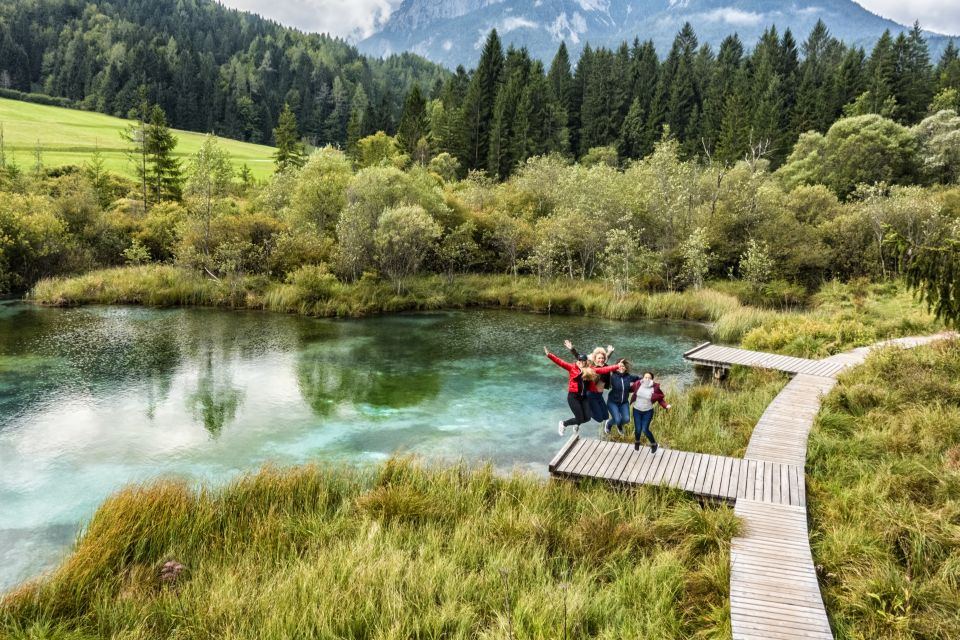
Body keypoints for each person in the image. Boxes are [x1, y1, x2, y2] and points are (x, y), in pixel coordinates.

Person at [544, 346, 619, 436]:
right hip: (574, 397)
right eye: (579, 360)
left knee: (587, 418)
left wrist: (617, 366)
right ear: (577, 361)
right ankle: (563, 424)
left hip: (584, 398)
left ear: (586, 362)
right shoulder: (572, 368)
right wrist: (549, 355)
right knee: (581, 418)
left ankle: (577, 423)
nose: (581, 362)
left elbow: (604, 368)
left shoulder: (590, 370)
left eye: (583, 361)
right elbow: (561, 362)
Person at [564, 340, 614, 428]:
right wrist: (572, 349)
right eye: (599, 358)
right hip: (591, 395)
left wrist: (609, 352)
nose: (601, 360)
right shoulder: (591, 368)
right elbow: (580, 358)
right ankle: (584, 413)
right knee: (599, 419)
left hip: (599, 395)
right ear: (594, 359)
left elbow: (605, 358)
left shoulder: (605, 365)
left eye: (602, 358)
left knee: (606, 416)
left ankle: (578, 422)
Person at [630, 371, 671, 452]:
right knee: (638, 429)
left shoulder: (655, 387)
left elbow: (660, 399)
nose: (647, 379)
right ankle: (637, 442)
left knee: (645, 429)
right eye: (646, 377)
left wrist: (666, 405)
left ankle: (654, 444)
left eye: (649, 378)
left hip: (648, 411)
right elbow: (629, 389)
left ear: (652, 379)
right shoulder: (638, 384)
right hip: (636, 410)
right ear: (643, 378)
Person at [605, 359, 641, 437]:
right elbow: (603, 370)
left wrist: (647, 380)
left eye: (623, 366)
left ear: (625, 368)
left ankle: (619, 425)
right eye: (619, 366)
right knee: (617, 419)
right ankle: (609, 424)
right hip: (612, 402)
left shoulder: (629, 377)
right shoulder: (612, 377)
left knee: (626, 419)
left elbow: (639, 378)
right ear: (616, 367)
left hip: (624, 402)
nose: (621, 367)